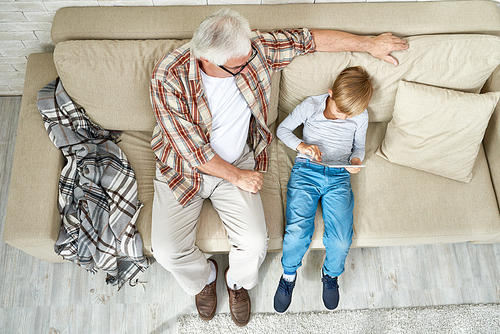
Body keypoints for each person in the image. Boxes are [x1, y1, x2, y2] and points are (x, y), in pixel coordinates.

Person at [149, 9, 407, 327]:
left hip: (236, 159)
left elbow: (307, 40)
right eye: (240, 65)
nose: (250, 65)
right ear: (207, 61)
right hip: (182, 167)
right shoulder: (167, 76)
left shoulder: (252, 50)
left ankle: (236, 283)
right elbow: (192, 151)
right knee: (165, 248)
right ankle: (204, 279)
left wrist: (368, 44)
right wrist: (240, 177)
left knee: (256, 243)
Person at [273, 66, 372, 313]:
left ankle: (331, 275)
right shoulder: (312, 106)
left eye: (350, 115)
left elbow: (358, 147)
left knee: (340, 239)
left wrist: (356, 161)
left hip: (339, 174)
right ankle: (288, 276)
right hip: (307, 171)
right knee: (297, 232)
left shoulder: (360, 115)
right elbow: (282, 130)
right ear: (330, 94)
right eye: (340, 111)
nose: (343, 118)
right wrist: (303, 146)